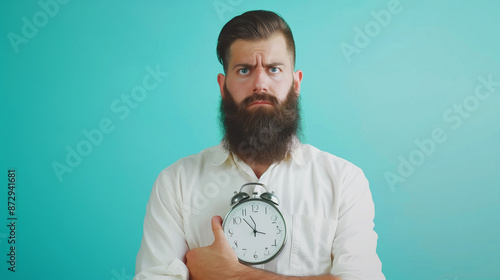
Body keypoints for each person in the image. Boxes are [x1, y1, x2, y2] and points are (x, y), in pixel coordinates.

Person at [134, 10, 385, 280]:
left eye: (274, 69)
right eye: (244, 70)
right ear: (223, 85)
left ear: (296, 83)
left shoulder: (344, 181)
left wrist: (230, 274)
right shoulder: (176, 183)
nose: (260, 84)